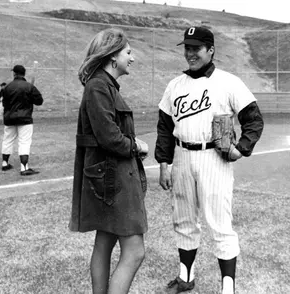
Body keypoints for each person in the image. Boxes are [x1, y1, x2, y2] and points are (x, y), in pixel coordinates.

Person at [155, 26, 264, 294]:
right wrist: (163, 164)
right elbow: (164, 128)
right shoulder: (175, 86)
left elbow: (253, 119)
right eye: (187, 48)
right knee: (183, 219)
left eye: (196, 48)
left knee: (219, 223)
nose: (190, 53)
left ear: (211, 50)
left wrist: (241, 148)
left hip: (214, 157)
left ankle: (228, 287)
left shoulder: (229, 82)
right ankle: (185, 277)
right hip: (181, 156)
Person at [68, 28, 149, 294]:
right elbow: (109, 137)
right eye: (128, 52)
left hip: (110, 176)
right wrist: (136, 146)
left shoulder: (102, 85)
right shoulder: (98, 86)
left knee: (104, 241)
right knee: (135, 251)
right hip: (111, 178)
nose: (132, 58)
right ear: (113, 56)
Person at [1, 64, 43, 175]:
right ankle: (24, 168)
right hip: (25, 119)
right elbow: (39, 101)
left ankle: (4, 163)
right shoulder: (29, 87)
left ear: (14, 73)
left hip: (9, 118)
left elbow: (4, 103)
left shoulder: (7, 87)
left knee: (7, 140)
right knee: (24, 142)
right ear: (23, 74)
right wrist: (30, 98)